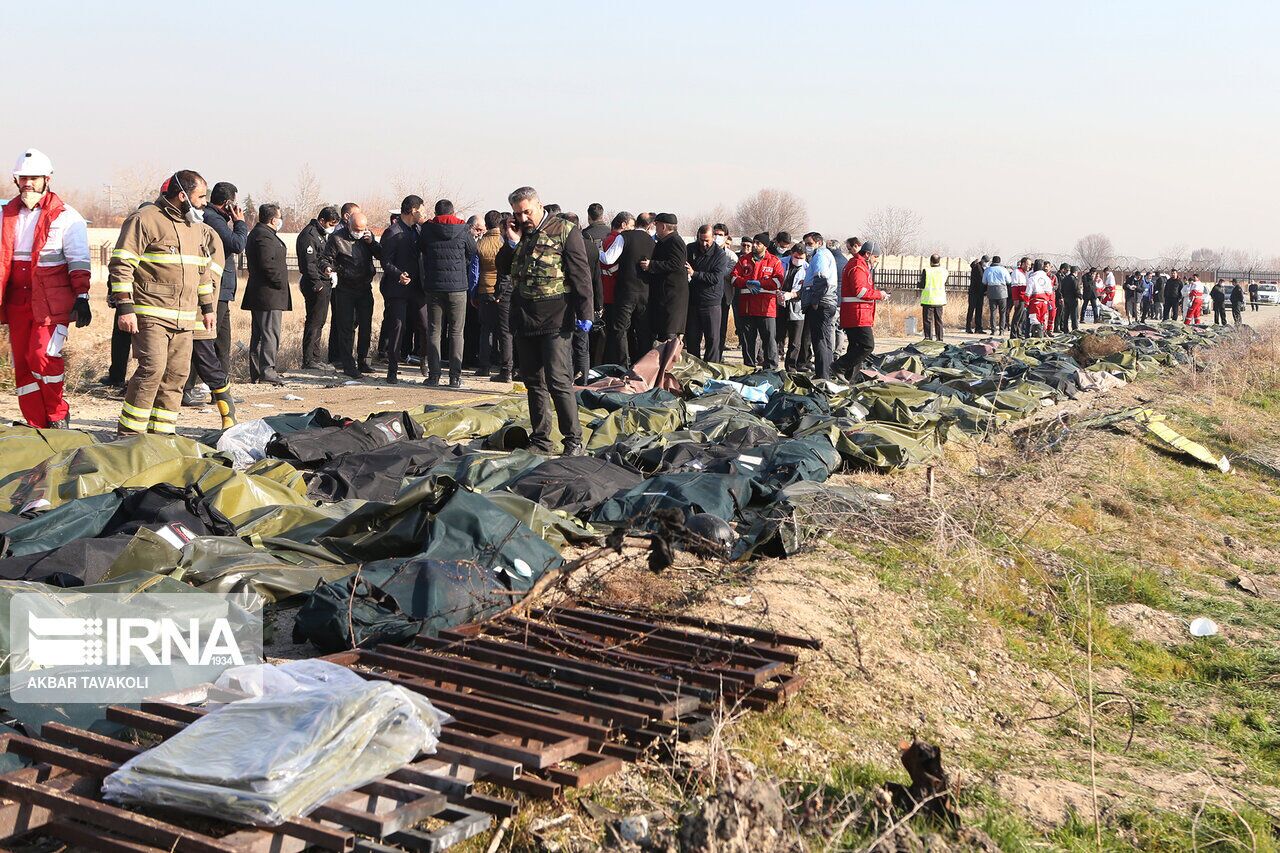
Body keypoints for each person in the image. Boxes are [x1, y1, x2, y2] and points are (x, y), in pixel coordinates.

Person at [109, 169, 218, 436]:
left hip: (185, 318)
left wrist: (207, 307)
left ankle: (162, 436)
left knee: (176, 377)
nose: (205, 202)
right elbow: (122, 264)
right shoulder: (144, 220)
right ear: (183, 195)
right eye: (201, 196)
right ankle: (129, 436)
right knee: (152, 371)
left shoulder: (196, 228)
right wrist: (125, 307)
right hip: (150, 315)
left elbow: (202, 270)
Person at [0, 148, 91, 428]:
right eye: (23, 178)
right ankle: (36, 422)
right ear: (16, 181)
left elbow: (78, 259)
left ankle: (57, 413)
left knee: (42, 356)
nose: (28, 183)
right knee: (23, 364)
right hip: (16, 299)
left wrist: (82, 296)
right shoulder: (5, 215)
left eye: (34, 178)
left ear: (47, 179)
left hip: (50, 302)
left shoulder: (65, 216)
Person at [506, 186, 593, 455]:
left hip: (556, 317)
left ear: (538, 205)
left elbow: (580, 274)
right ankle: (542, 440)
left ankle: (573, 440)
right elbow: (508, 270)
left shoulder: (565, 230)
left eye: (526, 212)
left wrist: (586, 312)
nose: (522, 218)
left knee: (558, 380)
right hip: (525, 316)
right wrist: (512, 240)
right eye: (517, 214)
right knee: (533, 382)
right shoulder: (523, 235)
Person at [188, 181, 247, 397]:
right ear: (228, 203)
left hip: (223, 290)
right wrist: (240, 222)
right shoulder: (212, 219)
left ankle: (221, 390)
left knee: (222, 342)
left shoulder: (218, 219)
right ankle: (188, 387)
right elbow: (237, 244)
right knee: (205, 339)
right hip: (215, 289)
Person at [419, 199, 478, 388]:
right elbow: (473, 251)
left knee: (434, 331)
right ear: (453, 212)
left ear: (437, 213)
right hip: (458, 288)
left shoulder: (428, 230)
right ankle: (455, 377)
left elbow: (421, 250)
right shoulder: (463, 230)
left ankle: (434, 376)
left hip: (434, 287)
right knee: (456, 332)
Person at [323, 209, 382, 379]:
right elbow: (326, 259)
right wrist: (328, 269)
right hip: (345, 288)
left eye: (362, 229)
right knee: (346, 327)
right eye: (356, 229)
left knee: (366, 326)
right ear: (348, 225)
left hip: (364, 287)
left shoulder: (367, 237)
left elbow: (381, 254)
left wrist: (372, 243)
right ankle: (348, 364)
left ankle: (364, 361)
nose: (359, 233)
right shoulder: (337, 238)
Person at [378, 195, 426, 385]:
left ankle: (425, 359)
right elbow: (385, 261)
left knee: (425, 324)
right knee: (398, 327)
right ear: (414, 210)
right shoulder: (392, 232)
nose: (423, 213)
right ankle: (392, 369)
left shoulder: (420, 230)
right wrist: (398, 274)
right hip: (398, 288)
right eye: (422, 209)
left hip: (418, 287)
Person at [241, 203, 290, 386]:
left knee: (261, 335)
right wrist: (279, 281)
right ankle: (267, 371)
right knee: (269, 334)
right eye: (279, 217)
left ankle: (260, 372)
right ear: (273, 219)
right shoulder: (263, 235)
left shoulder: (264, 234)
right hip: (268, 294)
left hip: (265, 293)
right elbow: (267, 264)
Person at [605, 211, 654, 365]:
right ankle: (643, 365)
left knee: (621, 329)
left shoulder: (624, 237)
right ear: (650, 225)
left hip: (626, 291)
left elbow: (608, 259)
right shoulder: (653, 241)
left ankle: (622, 364)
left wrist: (595, 251)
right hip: (645, 292)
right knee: (643, 331)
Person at [834, 241, 886, 379]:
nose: (876, 261)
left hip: (857, 313)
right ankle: (839, 366)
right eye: (875, 257)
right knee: (867, 346)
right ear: (868, 254)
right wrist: (879, 295)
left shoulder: (859, 266)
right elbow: (860, 292)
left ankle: (850, 378)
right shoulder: (858, 267)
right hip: (857, 314)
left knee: (855, 347)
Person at [732, 234, 784, 370]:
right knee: (748, 341)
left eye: (758, 243)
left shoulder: (774, 261)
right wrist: (746, 282)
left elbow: (778, 280)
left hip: (766, 308)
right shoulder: (743, 260)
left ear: (765, 246)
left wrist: (760, 283)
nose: (754, 245)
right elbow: (733, 278)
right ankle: (749, 367)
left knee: (769, 340)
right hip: (747, 307)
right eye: (754, 242)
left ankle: (771, 369)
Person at [297, 206, 339, 369]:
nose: (332, 227)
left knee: (320, 321)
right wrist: (318, 285)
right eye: (330, 224)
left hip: (324, 280)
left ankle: (315, 357)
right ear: (322, 221)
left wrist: (329, 271)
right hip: (315, 284)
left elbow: (321, 259)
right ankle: (309, 360)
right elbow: (309, 264)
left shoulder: (322, 234)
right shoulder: (310, 235)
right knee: (314, 321)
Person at [638, 213, 688, 348]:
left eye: (656, 225)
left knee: (669, 335)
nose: (655, 228)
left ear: (663, 226)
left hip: (672, 297)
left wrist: (652, 265)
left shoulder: (675, 241)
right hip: (663, 295)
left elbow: (676, 264)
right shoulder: (663, 241)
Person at [475, 209, 513, 381]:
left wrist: (473, 292)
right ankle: (507, 368)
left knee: (485, 330)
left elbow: (475, 272)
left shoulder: (480, 244)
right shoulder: (504, 242)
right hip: (504, 291)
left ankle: (484, 366)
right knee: (505, 331)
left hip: (484, 290)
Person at [687, 224, 733, 362]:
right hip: (693, 300)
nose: (704, 243)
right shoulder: (691, 249)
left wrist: (694, 274)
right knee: (693, 338)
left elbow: (715, 278)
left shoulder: (719, 255)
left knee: (712, 338)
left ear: (712, 237)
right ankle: (694, 366)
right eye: (701, 240)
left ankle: (711, 367)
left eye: (707, 240)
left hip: (711, 302)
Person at [802, 232, 840, 379]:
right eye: (806, 244)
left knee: (819, 341)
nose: (807, 247)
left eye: (810, 244)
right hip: (827, 302)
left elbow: (821, 279)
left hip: (821, 303)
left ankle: (822, 376)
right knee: (825, 340)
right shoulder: (825, 255)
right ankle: (826, 373)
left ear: (819, 242)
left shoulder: (820, 256)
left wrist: (815, 302)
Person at [598, 211, 632, 365]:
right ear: (623, 225)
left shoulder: (606, 240)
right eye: (631, 226)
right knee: (616, 332)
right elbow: (609, 260)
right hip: (614, 291)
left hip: (604, 290)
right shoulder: (619, 240)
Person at [778, 245, 808, 369]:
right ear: (791, 254)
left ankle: (790, 367)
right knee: (778, 336)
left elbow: (807, 289)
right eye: (796, 257)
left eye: (801, 257)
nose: (798, 260)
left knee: (795, 341)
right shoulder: (781, 263)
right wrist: (778, 293)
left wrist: (792, 295)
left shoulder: (807, 268)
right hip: (779, 302)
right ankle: (773, 363)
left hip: (797, 306)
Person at [919, 254, 948, 341]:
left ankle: (928, 338)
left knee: (928, 320)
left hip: (928, 299)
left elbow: (922, 285)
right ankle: (940, 338)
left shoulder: (927, 271)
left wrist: (918, 284)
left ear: (930, 261)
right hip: (940, 299)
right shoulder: (944, 271)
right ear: (939, 261)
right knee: (939, 320)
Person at [983, 255, 1010, 335]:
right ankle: (1001, 330)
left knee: (993, 312)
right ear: (999, 261)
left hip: (991, 291)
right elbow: (1009, 281)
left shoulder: (988, 270)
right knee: (1003, 312)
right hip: (1002, 292)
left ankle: (993, 330)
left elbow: (984, 281)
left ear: (992, 261)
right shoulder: (1003, 270)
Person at [1025, 260, 1054, 334]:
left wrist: (1026, 303)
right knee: (1043, 320)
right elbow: (1050, 291)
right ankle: (1042, 335)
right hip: (1044, 302)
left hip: (1035, 302)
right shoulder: (1047, 278)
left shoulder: (1032, 278)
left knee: (1034, 320)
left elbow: (1028, 293)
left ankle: (1035, 337)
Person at [1008, 257, 1030, 338]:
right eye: (1028, 264)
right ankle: (1013, 335)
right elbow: (1014, 287)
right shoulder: (1016, 272)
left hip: (1024, 298)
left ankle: (1019, 333)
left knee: (1022, 318)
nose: (1029, 266)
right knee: (1017, 318)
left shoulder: (1026, 273)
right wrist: (1015, 299)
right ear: (1023, 263)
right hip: (1019, 298)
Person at [967, 255, 988, 333]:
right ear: (982, 260)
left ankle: (978, 328)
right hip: (974, 292)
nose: (986, 263)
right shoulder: (977, 266)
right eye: (985, 261)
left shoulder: (982, 268)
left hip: (980, 292)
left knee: (979, 310)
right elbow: (981, 279)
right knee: (971, 310)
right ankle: (968, 327)